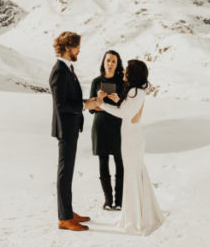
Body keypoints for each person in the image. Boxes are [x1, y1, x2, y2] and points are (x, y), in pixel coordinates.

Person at [98, 59, 165, 235]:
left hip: (131, 138)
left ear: (133, 73)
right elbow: (129, 109)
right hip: (133, 136)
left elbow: (124, 113)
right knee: (136, 174)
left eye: (127, 70)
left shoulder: (135, 91)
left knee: (132, 176)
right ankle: (140, 214)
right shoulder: (138, 91)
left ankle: (135, 219)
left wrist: (101, 104)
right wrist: (119, 99)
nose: (125, 72)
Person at [49, 31, 102, 232]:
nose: (79, 50)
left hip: (71, 127)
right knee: (65, 173)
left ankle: (68, 212)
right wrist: (84, 105)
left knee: (68, 172)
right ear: (68, 47)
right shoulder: (59, 71)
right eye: (77, 46)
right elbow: (61, 105)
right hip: (65, 128)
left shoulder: (67, 69)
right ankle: (64, 218)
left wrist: (89, 105)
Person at [89, 50, 126, 211]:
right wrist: (99, 100)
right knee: (103, 162)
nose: (110, 64)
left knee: (120, 163)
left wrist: (114, 102)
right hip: (101, 125)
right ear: (103, 62)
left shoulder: (123, 82)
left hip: (118, 125)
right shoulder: (95, 81)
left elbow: (125, 107)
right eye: (108, 60)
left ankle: (119, 201)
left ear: (117, 65)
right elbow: (91, 108)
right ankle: (107, 199)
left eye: (113, 61)